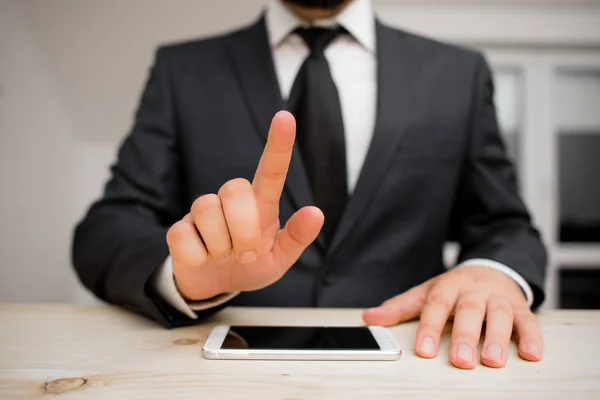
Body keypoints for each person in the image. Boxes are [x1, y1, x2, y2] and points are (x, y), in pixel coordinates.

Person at [72, 0, 547, 370]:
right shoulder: (184, 71)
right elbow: (107, 228)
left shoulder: (457, 74)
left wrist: (495, 272)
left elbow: (506, 225)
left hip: (413, 365)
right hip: (222, 372)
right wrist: (181, 277)